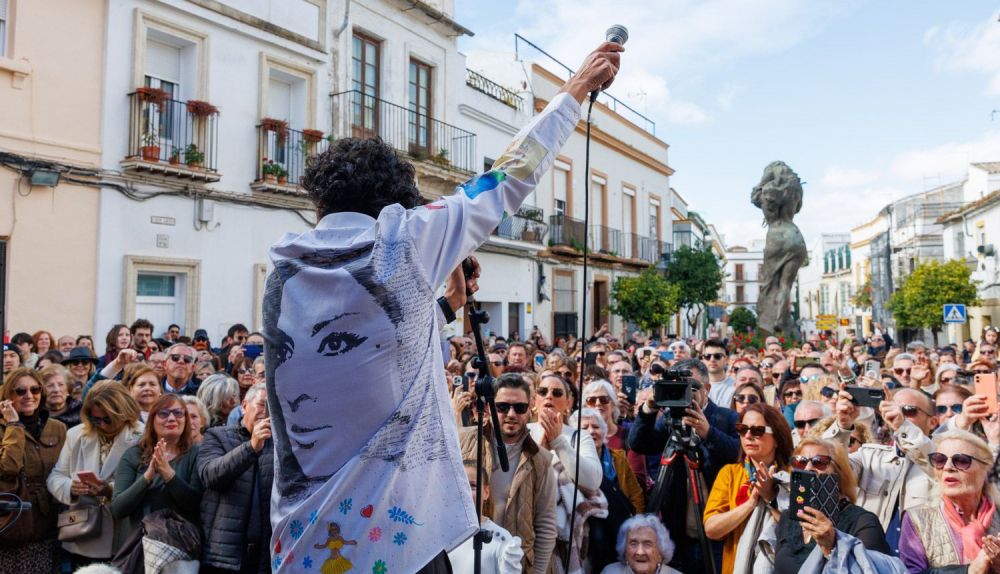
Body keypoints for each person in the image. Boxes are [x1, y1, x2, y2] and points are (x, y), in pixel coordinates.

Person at [262, 41, 620, 573]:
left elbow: (376, 349)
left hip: (301, 546)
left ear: (320, 203)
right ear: (397, 204)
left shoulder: (283, 278)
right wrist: (575, 90)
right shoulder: (402, 241)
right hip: (397, 544)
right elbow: (506, 178)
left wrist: (448, 303)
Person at [628, 358, 740, 571]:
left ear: (707, 389)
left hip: (717, 535)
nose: (686, 393)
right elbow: (639, 444)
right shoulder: (670, 419)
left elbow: (737, 454)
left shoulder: (727, 418)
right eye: (681, 387)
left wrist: (708, 433)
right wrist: (649, 408)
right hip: (677, 533)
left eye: (693, 387)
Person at [460, 373, 558, 573]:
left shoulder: (542, 459)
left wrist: (537, 572)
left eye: (519, 407)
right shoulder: (461, 442)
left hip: (516, 565)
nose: (511, 414)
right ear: (488, 408)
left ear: (530, 409)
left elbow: (546, 525)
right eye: (502, 407)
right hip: (466, 560)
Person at [46, 381, 143, 567]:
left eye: (108, 419)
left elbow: (146, 482)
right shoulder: (76, 434)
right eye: (95, 419)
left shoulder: (143, 435)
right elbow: (56, 476)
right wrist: (71, 488)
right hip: (84, 533)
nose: (102, 425)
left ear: (123, 412)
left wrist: (109, 490)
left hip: (123, 533)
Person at [772, 438, 890, 571]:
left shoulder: (863, 521)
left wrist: (831, 547)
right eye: (800, 462)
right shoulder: (788, 517)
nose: (809, 468)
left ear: (838, 472)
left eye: (819, 462)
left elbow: (870, 569)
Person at [704, 403, 793, 573]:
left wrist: (770, 497)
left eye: (758, 431)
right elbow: (711, 529)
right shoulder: (729, 473)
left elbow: (799, 532)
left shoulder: (792, 476)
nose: (748, 436)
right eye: (743, 429)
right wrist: (750, 505)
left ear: (777, 438)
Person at [198, 383, 274, 573]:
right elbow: (211, 476)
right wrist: (252, 447)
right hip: (224, 557)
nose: (266, 413)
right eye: (262, 405)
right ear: (244, 405)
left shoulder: (281, 445)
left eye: (273, 407)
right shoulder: (216, 436)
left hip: (265, 556)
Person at [111, 394, 203, 550]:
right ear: (152, 420)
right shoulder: (133, 455)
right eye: (164, 413)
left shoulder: (197, 454)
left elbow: (194, 504)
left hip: (182, 547)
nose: (172, 418)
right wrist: (147, 477)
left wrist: (168, 474)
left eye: (178, 413)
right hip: (138, 547)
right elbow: (119, 509)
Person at [900, 430, 1000, 572]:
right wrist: (969, 571)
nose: (947, 467)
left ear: (987, 472)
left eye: (961, 460)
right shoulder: (918, 519)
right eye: (940, 460)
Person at [0, 368, 68, 573]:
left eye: (35, 389)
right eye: (20, 391)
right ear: (8, 396)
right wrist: (14, 425)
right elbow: (8, 468)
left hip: (49, 525)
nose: (29, 396)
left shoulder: (57, 427)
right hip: (12, 522)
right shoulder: (4, 428)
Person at [578, 408, 644, 571]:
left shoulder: (618, 458)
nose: (590, 431)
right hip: (588, 537)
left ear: (604, 432)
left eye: (596, 426)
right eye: (584, 427)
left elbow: (636, 495)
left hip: (620, 534)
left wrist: (636, 526)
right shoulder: (570, 463)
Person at [446, 459, 524, 574]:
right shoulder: (442, 535)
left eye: (472, 486)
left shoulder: (501, 538)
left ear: (486, 492)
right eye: (459, 485)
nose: (465, 491)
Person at [600, 514, 683, 574]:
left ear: (660, 553)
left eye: (647, 544)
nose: (639, 552)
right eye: (633, 543)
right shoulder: (610, 571)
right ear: (624, 550)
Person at [704, 339, 736, 408]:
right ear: (703, 359)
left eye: (717, 356)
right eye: (707, 356)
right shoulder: (697, 386)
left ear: (726, 359)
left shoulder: (735, 386)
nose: (712, 360)